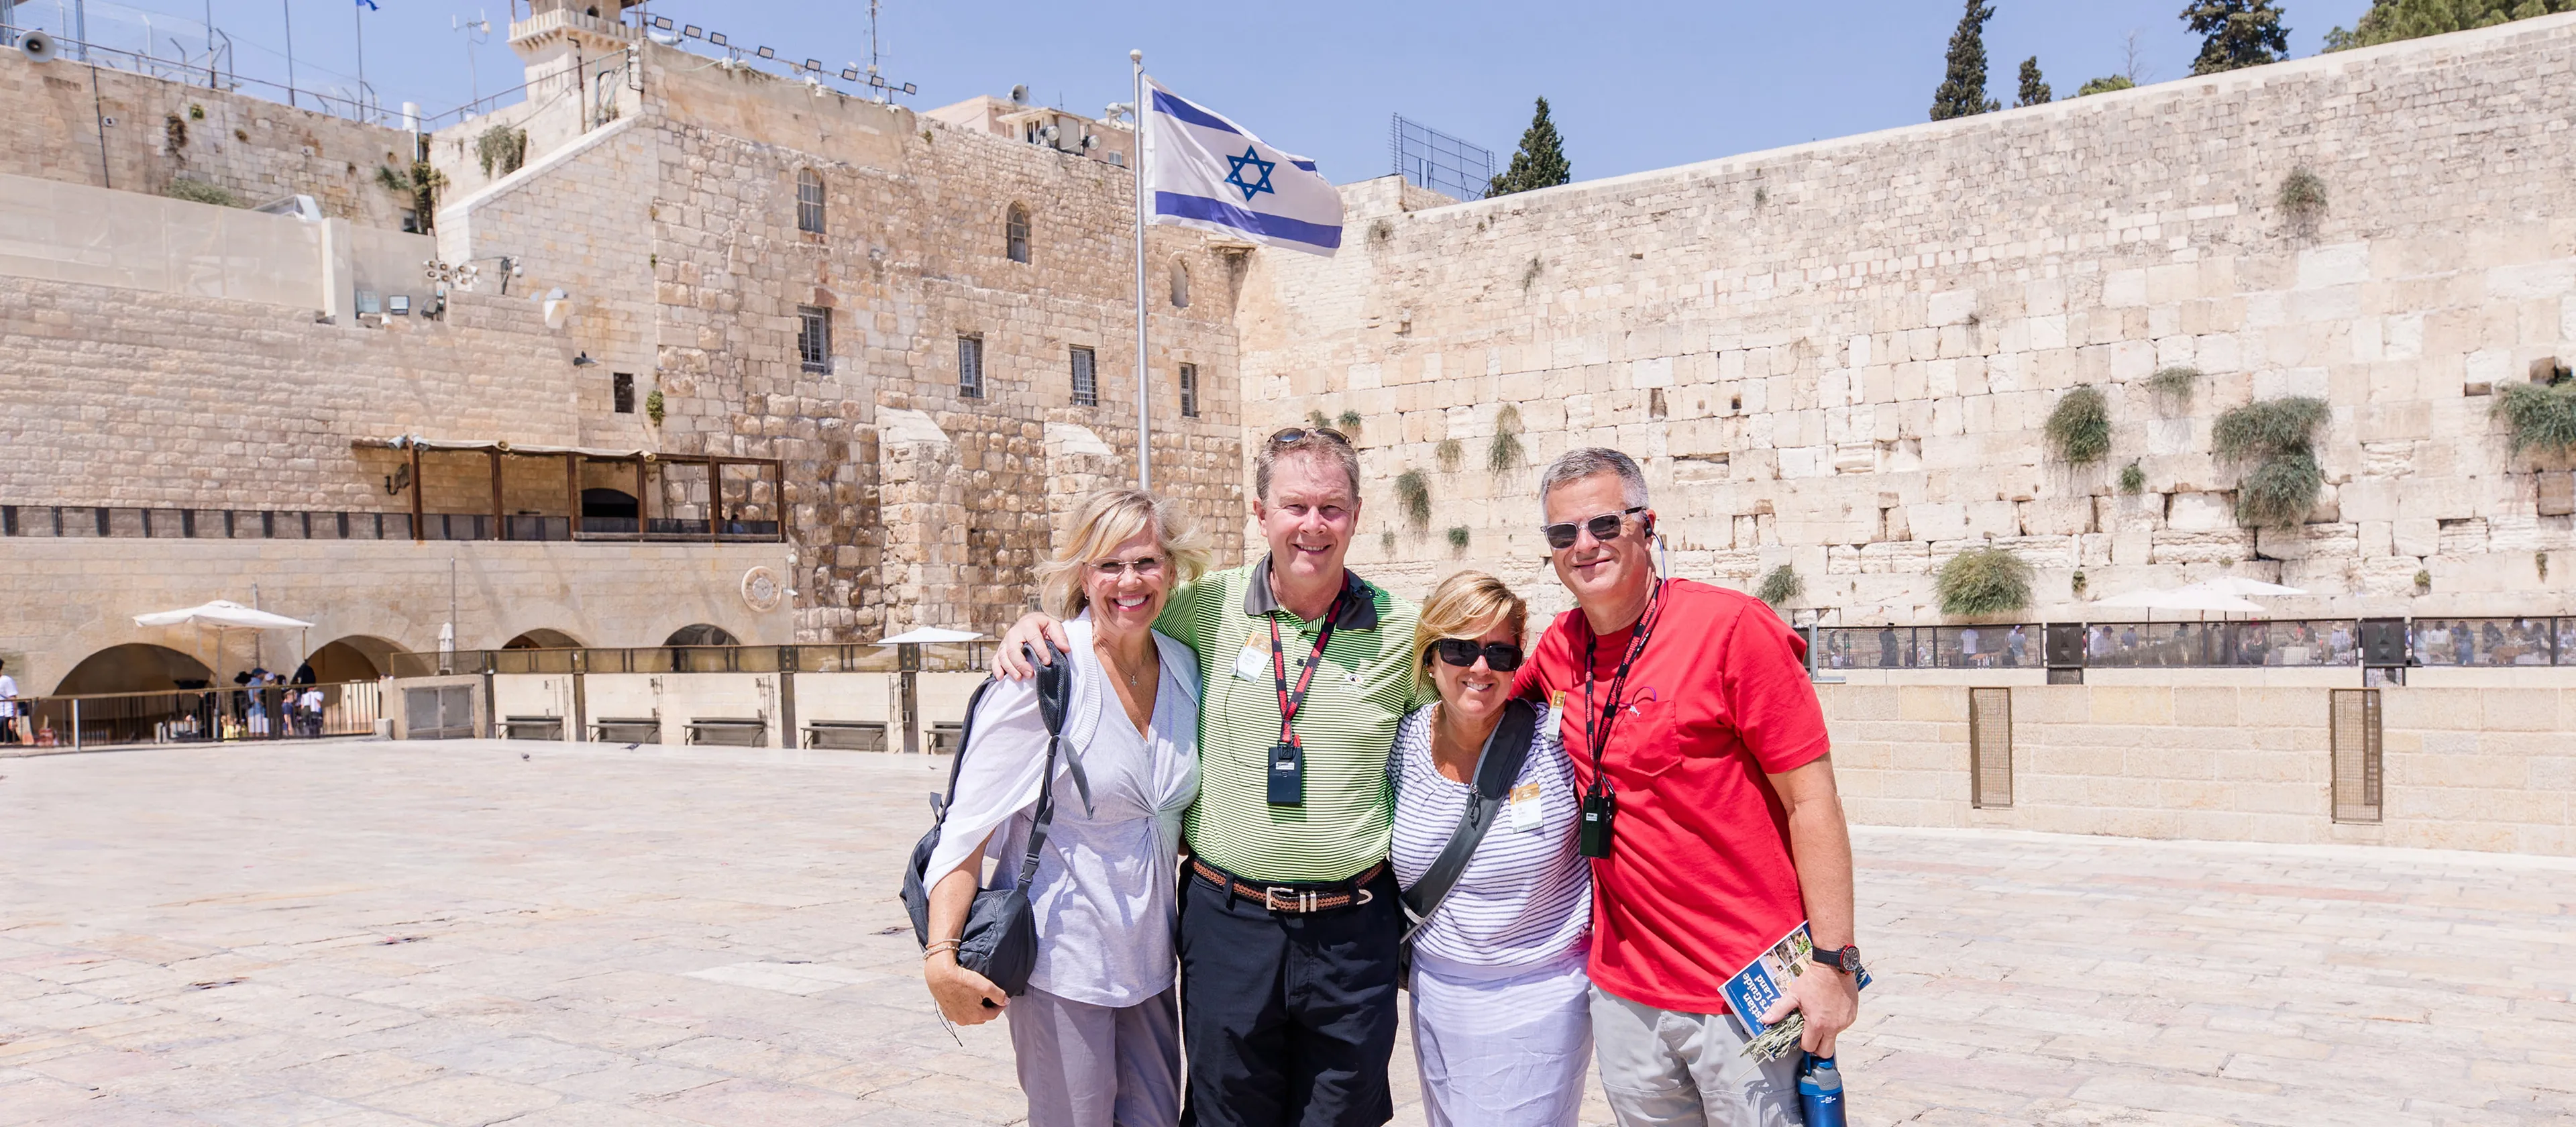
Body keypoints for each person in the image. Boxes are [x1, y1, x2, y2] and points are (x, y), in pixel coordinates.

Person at [995, 427, 1424, 1127]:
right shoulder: (1205, 606)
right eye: (1295, 507)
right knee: (1226, 1115)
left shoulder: (1404, 630)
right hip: (1230, 925)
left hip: (1354, 931)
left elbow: (1476, 705)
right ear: (1261, 513)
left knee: (1344, 1117)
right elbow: (1114, 605)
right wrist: (1035, 624)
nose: (1313, 526)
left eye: (1332, 508)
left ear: (1356, 514)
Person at [1510, 448, 1860, 1126]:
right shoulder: (1561, 646)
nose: (1585, 546)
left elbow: (1812, 800)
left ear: (1647, 526)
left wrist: (1834, 964)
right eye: (1564, 534)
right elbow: (1481, 707)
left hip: (1749, 997)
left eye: (1605, 525)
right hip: (1624, 997)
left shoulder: (1732, 630)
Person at [921, 488, 1209, 1127]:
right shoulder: (1043, 674)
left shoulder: (1187, 667)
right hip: (1063, 966)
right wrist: (941, 957)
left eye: (1146, 562)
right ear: (1082, 574)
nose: (1129, 581)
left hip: (1155, 969)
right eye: (1109, 564)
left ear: (1171, 568)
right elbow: (967, 828)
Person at [1391, 572, 1590, 1127]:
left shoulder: (1557, 746)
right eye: (1460, 649)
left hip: (1538, 999)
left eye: (1500, 654)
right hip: (1436, 998)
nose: (1480, 669)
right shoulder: (1403, 743)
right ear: (1430, 658)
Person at [0, 657, 19, 745]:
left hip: (4, 716)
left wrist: (13, 718)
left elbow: (13, 699)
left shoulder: (6, 680)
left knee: (9, 744)